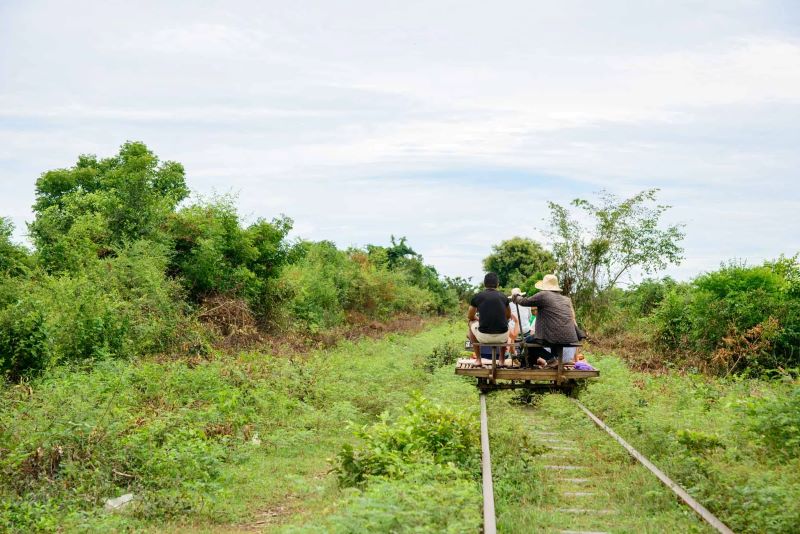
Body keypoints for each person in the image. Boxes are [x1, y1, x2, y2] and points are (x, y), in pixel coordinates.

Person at [512, 274, 578, 367]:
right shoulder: (565, 299)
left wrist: (516, 297)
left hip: (552, 335)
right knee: (551, 339)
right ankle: (554, 360)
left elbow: (524, 302)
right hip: (568, 337)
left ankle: (550, 359)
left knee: (527, 342)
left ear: (544, 287)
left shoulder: (544, 295)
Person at [468, 272, 511, 367]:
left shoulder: (478, 296)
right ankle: (502, 360)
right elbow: (508, 316)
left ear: (484, 284)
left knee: (470, 323)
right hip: (502, 337)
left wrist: (478, 319)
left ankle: (478, 360)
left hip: (483, 337)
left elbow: (470, 316)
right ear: (497, 284)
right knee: (506, 324)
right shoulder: (503, 297)